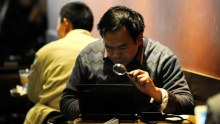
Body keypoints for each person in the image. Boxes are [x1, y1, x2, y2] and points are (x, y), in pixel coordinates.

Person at [60, 5, 194, 120]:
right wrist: (93, 110)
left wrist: (155, 93)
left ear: (139, 39)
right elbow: (67, 101)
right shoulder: (89, 55)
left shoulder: (162, 58)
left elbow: (187, 104)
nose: (115, 54)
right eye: (109, 47)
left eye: (122, 47)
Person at [23, 2, 96, 124]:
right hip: (93, 118)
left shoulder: (46, 51)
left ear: (65, 23)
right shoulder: (104, 48)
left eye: (58, 23)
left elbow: (33, 95)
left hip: (55, 118)